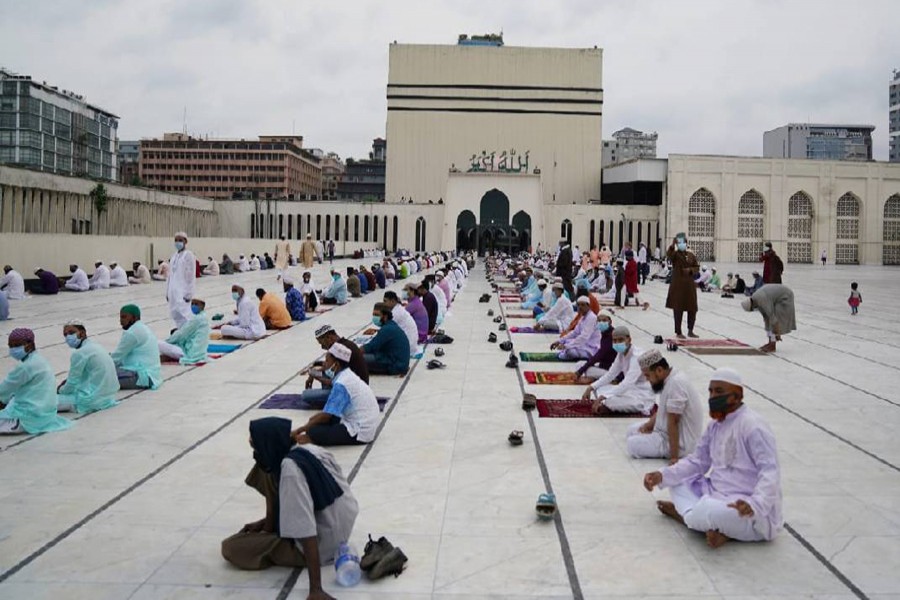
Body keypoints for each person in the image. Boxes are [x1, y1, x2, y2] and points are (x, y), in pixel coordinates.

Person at [642, 367, 782, 549]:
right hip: (715, 492)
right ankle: (714, 527)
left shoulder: (753, 426)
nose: (712, 397)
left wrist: (755, 504)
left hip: (743, 505)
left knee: (711, 510)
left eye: (719, 392)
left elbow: (770, 471)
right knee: (678, 482)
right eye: (710, 391)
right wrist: (662, 475)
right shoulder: (715, 426)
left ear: (737, 396)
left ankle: (685, 517)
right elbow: (697, 461)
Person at [220, 417, 358, 600]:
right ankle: (271, 524)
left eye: (256, 447)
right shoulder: (310, 449)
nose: (255, 452)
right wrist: (263, 523)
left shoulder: (290, 471)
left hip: (322, 542)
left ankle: (277, 539)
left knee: (231, 547)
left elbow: (306, 530)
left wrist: (315, 589)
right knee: (265, 470)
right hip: (339, 524)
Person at [292, 342, 380, 447]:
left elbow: (326, 416)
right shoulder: (346, 374)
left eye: (327, 361)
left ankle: (312, 439)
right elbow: (329, 381)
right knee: (315, 422)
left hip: (360, 431)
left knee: (314, 431)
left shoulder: (342, 384)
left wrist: (300, 429)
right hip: (366, 423)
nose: (324, 364)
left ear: (336, 364)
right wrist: (313, 373)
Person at [625, 349, 704, 461]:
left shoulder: (676, 383)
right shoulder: (669, 378)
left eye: (648, 375)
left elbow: (674, 422)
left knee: (632, 444)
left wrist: (674, 457)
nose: (647, 380)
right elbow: (664, 410)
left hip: (679, 443)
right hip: (664, 431)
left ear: (659, 370)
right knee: (631, 430)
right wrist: (649, 425)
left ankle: (672, 451)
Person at [0, 328, 73, 434]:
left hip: (29, 418)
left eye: (16, 345)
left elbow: (4, 389)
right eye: (10, 346)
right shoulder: (39, 360)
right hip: (46, 415)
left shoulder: (26, 367)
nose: (13, 349)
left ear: (29, 345)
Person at [583, 326, 655, 415]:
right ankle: (607, 405)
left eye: (620, 340)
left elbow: (628, 383)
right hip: (628, 392)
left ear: (629, 339)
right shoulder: (621, 354)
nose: (617, 343)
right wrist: (591, 387)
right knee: (599, 389)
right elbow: (610, 375)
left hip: (641, 396)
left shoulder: (637, 356)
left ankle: (608, 406)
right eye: (615, 341)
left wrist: (604, 397)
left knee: (610, 401)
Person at [57, 321, 120, 414]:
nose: (68, 337)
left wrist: (60, 390)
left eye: (71, 333)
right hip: (108, 398)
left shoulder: (80, 353)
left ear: (82, 333)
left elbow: (71, 384)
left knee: (45, 401)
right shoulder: (96, 346)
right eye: (65, 335)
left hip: (90, 400)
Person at [111, 304, 163, 390]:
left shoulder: (133, 333)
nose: (121, 321)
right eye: (120, 317)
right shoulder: (141, 327)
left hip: (142, 376)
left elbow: (116, 358)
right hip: (151, 375)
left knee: (102, 375)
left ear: (134, 317)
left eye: (124, 317)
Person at [742, 283, 796, 353]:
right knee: (769, 320)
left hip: (785, 297)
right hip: (777, 297)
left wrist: (777, 331)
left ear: (752, 306)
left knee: (775, 317)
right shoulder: (756, 299)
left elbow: (771, 316)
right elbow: (765, 318)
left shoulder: (761, 299)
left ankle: (772, 345)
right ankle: (771, 342)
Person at [665, 233, 700, 339]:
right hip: (678, 286)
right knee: (678, 309)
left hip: (689, 286)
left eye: (683, 242)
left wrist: (690, 270)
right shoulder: (675, 255)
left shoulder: (691, 255)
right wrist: (672, 244)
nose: (681, 244)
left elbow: (697, 267)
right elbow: (669, 255)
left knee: (692, 308)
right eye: (679, 243)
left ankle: (690, 330)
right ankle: (678, 332)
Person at [362, 303, 410, 375]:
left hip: (394, 365)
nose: (374, 317)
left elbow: (370, 347)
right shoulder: (391, 325)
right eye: (374, 314)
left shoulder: (387, 329)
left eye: (377, 315)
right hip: (398, 362)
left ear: (385, 316)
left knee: (357, 359)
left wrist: (353, 351)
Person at [158, 299, 210, 365]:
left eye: (196, 304)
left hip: (191, 353)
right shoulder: (203, 317)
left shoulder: (197, 319)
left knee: (159, 343)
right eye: (192, 304)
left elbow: (181, 334)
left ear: (202, 306)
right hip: (200, 353)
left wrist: (168, 341)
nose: (193, 306)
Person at [551, 296, 601, 360]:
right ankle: (565, 353)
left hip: (590, 348)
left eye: (583, 305)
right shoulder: (583, 317)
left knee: (570, 351)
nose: (580, 307)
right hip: (583, 345)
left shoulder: (592, 318)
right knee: (565, 341)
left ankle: (566, 354)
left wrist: (567, 346)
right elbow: (575, 333)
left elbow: (584, 337)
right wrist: (559, 341)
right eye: (578, 305)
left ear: (588, 306)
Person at [574, 309, 615, 381]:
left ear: (610, 321)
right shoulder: (605, 333)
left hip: (612, 370)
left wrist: (580, 371)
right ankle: (596, 377)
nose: (601, 322)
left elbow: (598, 356)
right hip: (604, 365)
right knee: (579, 364)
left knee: (587, 370)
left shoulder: (611, 336)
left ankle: (606, 378)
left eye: (604, 320)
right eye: (599, 320)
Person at [167, 232, 197, 329]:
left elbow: (191, 275)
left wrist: (189, 293)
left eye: (180, 240)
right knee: (175, 314)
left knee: (185, 314)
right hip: (173, 291)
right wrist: (167, 292)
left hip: (183, 291)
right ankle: (181, 332)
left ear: (186, 241)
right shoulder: (174, 256)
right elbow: (170, 275)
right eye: (176, 240)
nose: (178, 242)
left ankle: (190, 333)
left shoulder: (188, 255)